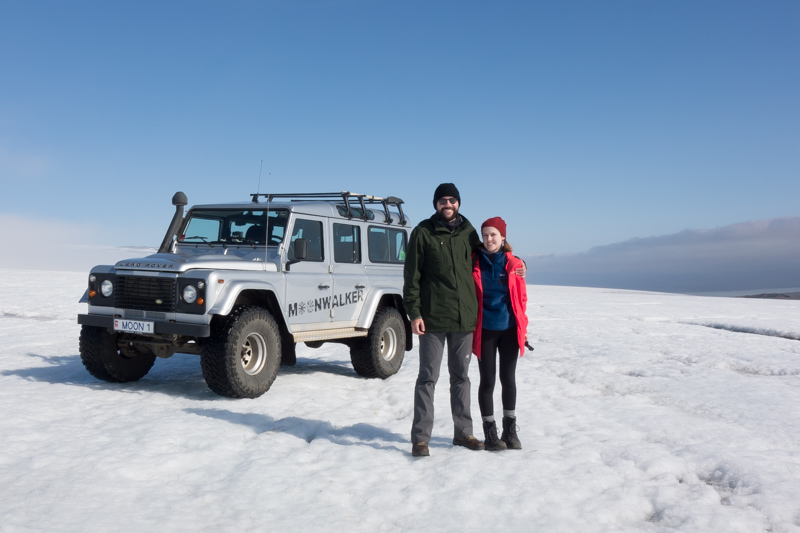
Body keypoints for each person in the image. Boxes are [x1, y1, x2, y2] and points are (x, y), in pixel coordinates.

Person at [403, 183, 485, 457]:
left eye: (452, 200)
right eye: (442, 200)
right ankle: (420, 438)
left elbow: (489, 258)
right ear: (436, 204)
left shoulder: (470, 233)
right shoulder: (423, 233)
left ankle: (464, 433)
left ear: (458, 203)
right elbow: (411, 277)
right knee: (428, 378)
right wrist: (414, 313)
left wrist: (515, 262)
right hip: (433, 319)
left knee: (461, 377)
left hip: (464, 319)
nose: (447, 204)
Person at [472, 217, 528, 451]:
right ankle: (490, 433)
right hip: (484, 330)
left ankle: (510, 430)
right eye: (485, 235)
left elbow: (521, 299)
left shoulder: (514, 264)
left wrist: (523, 329)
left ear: (503, 237)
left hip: (509, 329)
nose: (488, 239)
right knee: (487, 381)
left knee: (509, 380)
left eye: (493, 235)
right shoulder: (473, 262)